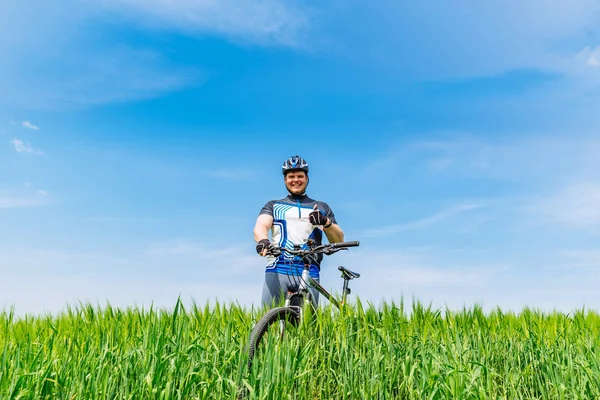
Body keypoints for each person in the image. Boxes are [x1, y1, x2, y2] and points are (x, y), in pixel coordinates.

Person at [253, 155, 345, 309]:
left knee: (308, 327)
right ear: (285, 180)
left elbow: (339, 239)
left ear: (307, 178)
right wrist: (263, 240)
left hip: (309, 270)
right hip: (278, 267)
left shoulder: (321, 207)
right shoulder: (274, 205)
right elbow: (261, 225)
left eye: (300, 176)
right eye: (291, 176)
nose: (295, 180)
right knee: (268, 325)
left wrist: (326, 222)